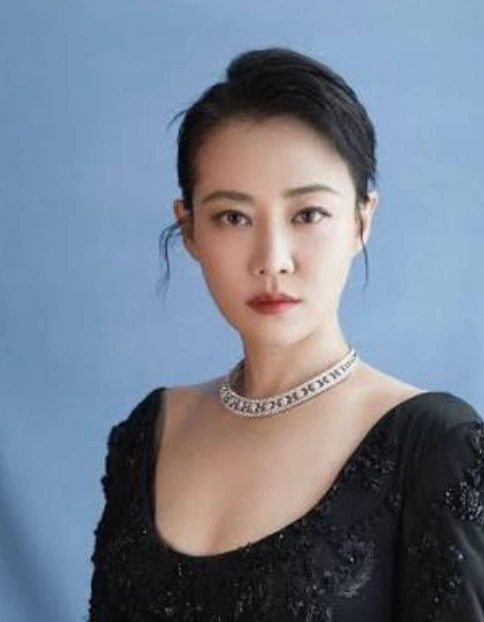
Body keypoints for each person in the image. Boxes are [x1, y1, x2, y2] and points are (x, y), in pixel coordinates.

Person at [86, 47, 484, 621]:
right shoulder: (149, 432)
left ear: (362, 220)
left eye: (308, 214)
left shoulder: (433, 445)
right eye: (233, 217)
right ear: (189, 228)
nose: (272, 259)